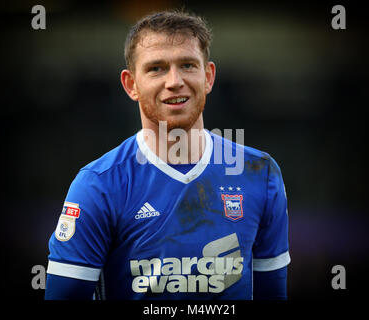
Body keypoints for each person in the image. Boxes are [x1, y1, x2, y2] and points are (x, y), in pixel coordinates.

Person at [45, 9, 290, 300]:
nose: (174, 81)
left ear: (208, 76)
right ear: (131, 84)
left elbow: (272, 294)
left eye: (187, 65)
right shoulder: (98, 185)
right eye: (156, 68)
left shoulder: (259, 174)